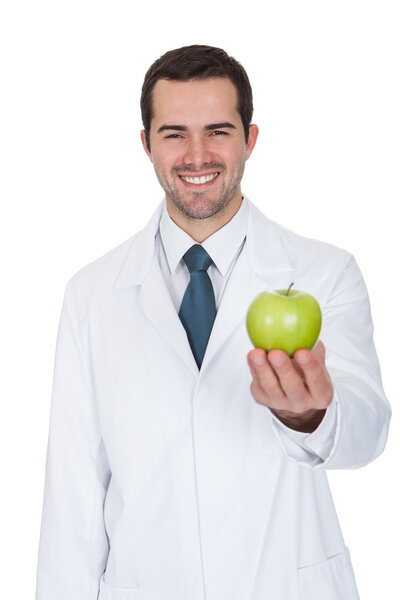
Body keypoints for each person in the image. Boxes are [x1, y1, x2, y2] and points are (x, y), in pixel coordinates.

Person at [35, 45, 391, 600]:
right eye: (174, 133)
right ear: (146, 144)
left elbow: (369, 429)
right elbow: (72, 495)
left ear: (250, 140)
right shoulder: (91, 295)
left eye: (218, 131)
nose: (196, 155)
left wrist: (311, 416)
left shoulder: (323, 272)